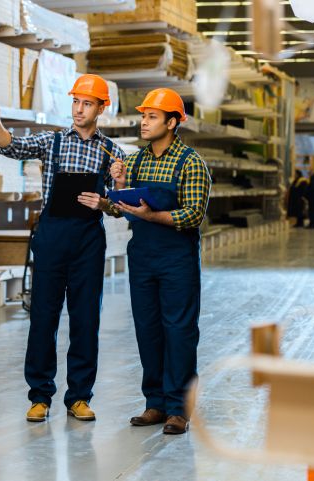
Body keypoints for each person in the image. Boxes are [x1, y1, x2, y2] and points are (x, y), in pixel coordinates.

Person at [0, 74, 126, 422]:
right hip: (52, 237)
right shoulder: (53, 142)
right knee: (44, 318)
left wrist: (110, 194)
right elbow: (11, 147)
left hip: (88, 240)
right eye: (75, 102)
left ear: (101, 108)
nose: (78, 109)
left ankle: (79, 397)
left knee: (85, 320)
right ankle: (40, 396)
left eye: (86, 103)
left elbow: (120, 205)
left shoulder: (112, 152)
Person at [110, 88, 211, 435]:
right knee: (148, 330)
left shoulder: (191, 163)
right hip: (143, 257)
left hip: (176, 259)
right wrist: (118, 188)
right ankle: (155, 403)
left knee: (179, 332)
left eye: (152, 116)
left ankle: (179, 408)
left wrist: (151, 215)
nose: (144, 121)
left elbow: (193, 214)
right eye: (143, 115)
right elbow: (121, 207)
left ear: (172, 122)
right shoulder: (136, 161)